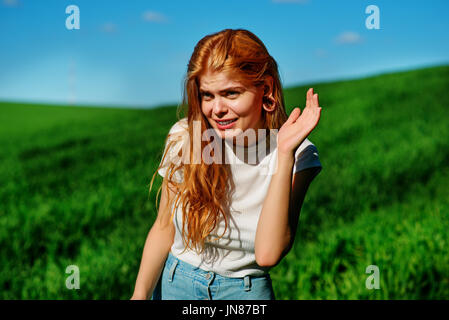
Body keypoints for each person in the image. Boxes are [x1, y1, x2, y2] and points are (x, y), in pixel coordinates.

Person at [131, 28, 322, 300]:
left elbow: (268, 255)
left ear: (265, 89)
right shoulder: (185, 137)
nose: (216, 109)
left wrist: (284, 154)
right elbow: (163, 227)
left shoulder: (300, 155)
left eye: (231, 93)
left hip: (244, 292)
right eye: (207, 95)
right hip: (175, 283)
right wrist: (139, 296)